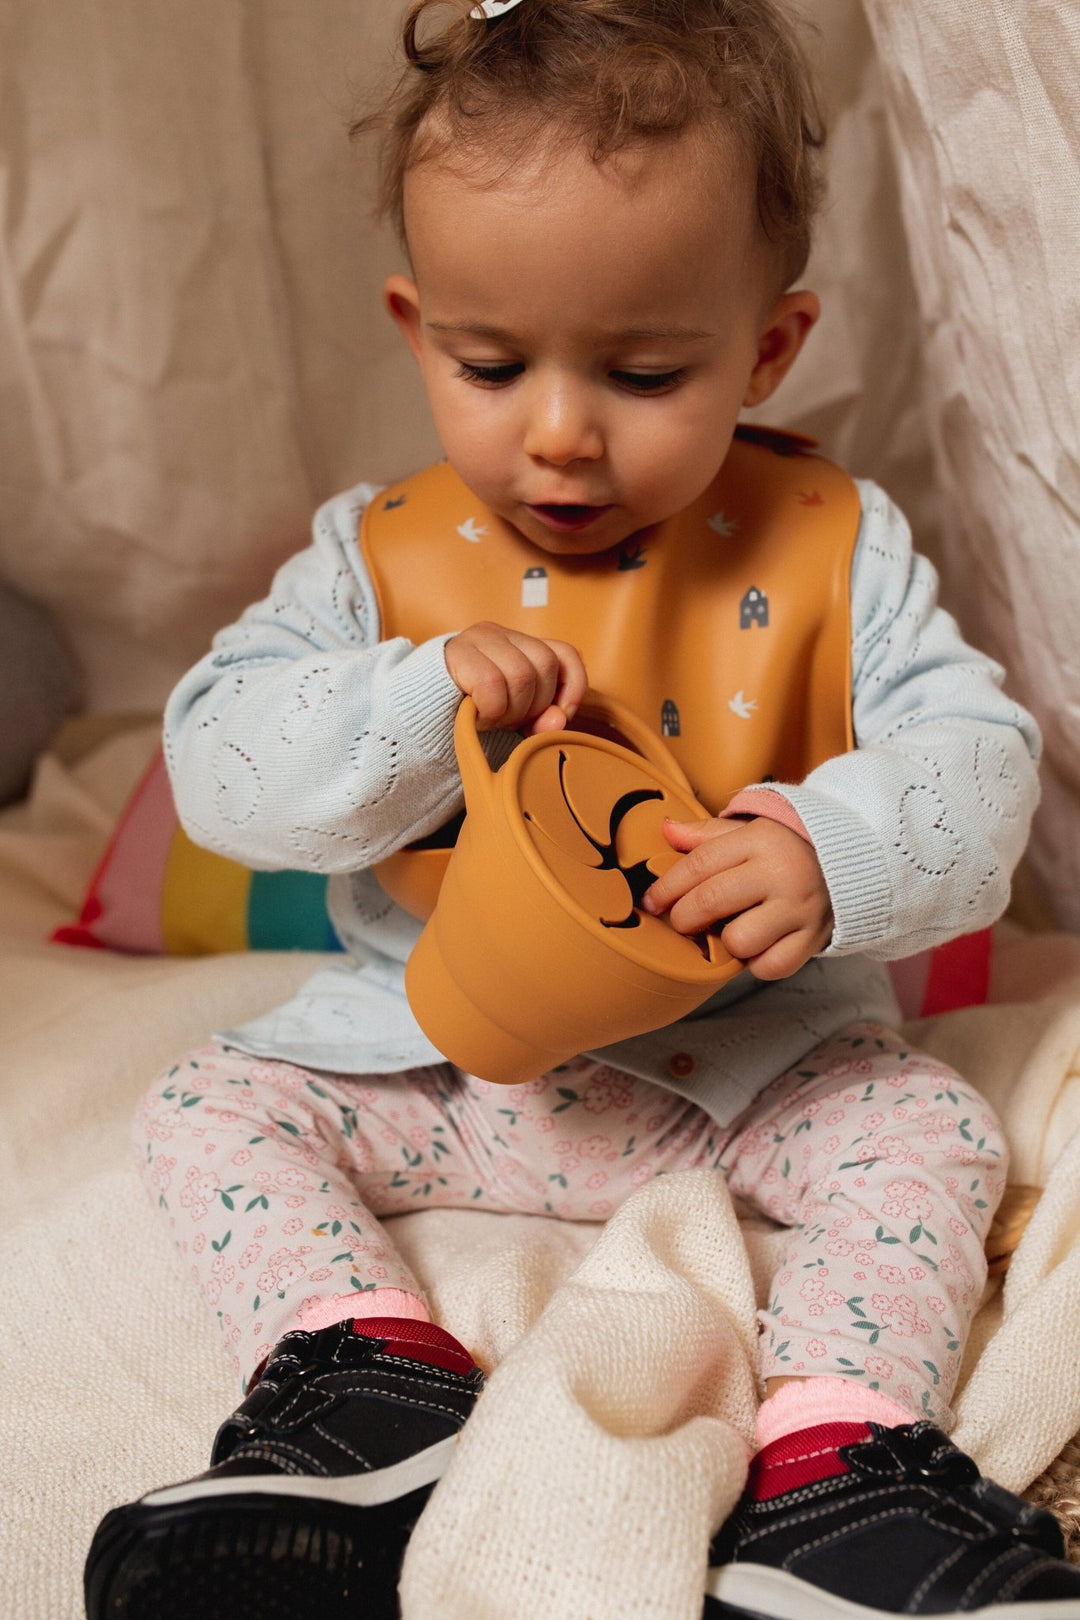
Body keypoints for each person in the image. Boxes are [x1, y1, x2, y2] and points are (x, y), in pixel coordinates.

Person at [84, 2, 1080, 1616]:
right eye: (491, 364)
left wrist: (834, 853)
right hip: (444, 1066)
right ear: (418, 329)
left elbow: (979, 759)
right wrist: (409, 699)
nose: (559, 429)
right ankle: (360, 1384)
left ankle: (838, 1472)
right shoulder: (376, 555)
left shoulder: (832, 540)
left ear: (765, 348)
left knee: (932, 1131)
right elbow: (221, 768)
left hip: (752, 1067)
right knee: (205, 1107)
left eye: (641, 370)